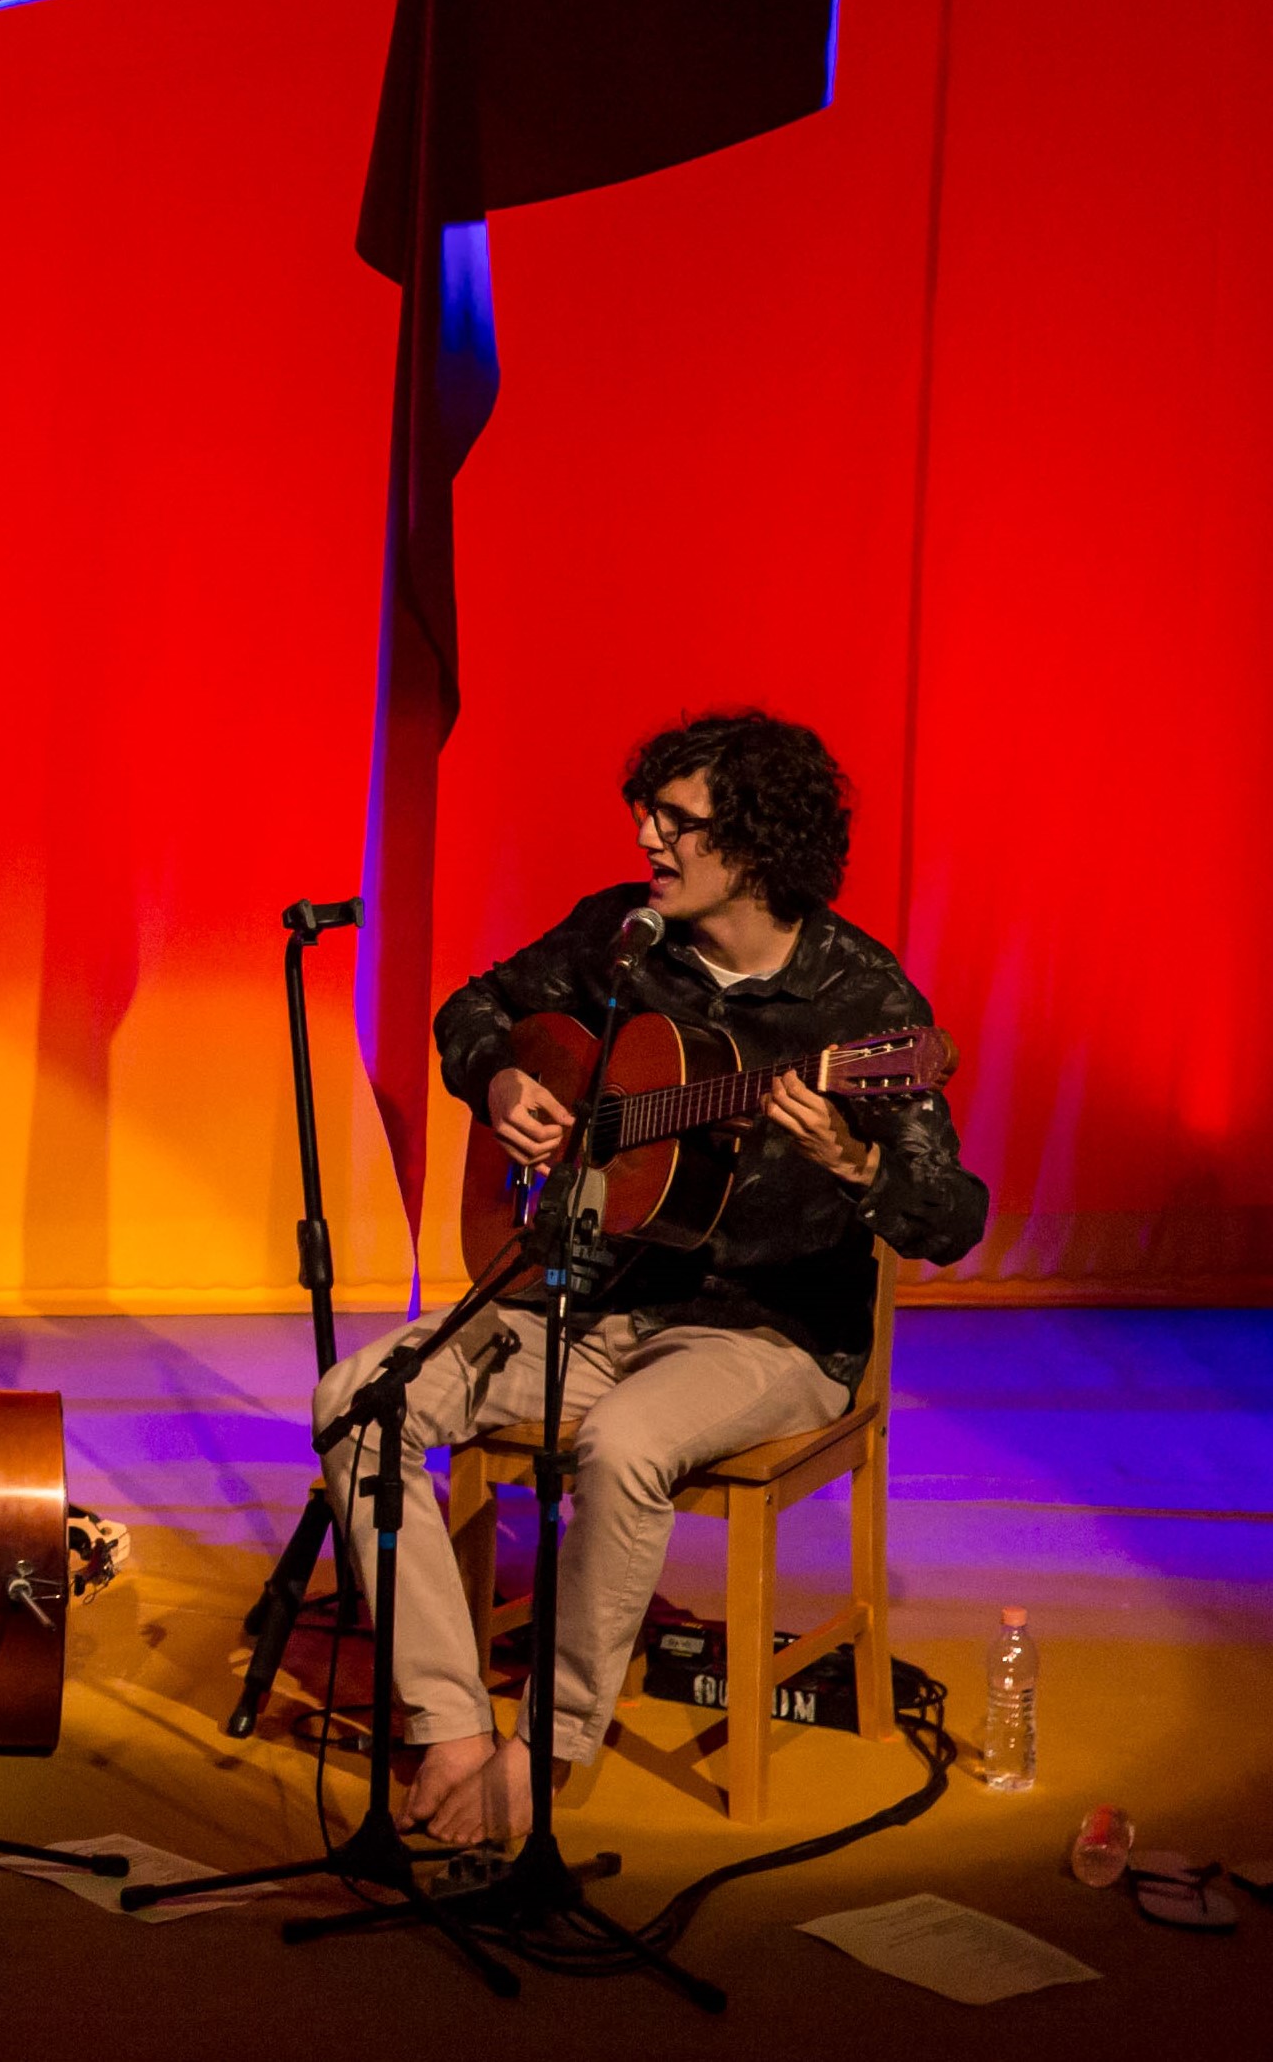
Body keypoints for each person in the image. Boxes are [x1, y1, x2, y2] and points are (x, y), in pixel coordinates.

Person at [314, 709, 986, 1843]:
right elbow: (475, 1007)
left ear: (757, 847)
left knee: (623, 1445)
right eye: (648, 812)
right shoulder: (622, 937)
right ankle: (451, 1723)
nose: (646, 837)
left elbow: (949, 1217)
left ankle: (546, 1749)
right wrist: (497, 1087)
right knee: (358, 1403)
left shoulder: (864, 1010)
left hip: (764, 1335)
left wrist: (854, 1157)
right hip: (589, 1297)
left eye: (677, 821)